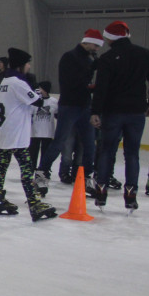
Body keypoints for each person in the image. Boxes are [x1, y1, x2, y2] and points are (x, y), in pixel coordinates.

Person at [90, 20, 149, 211]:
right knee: (132, 153)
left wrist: (95, 111)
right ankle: (131, 195)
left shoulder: (107, 58)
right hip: (136, 112)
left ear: (110, 38)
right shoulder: (144, 54)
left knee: (107, 150)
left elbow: (101, 88)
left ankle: (101, 191)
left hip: (112, 112)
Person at [0, 48, 57, 221]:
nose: (29, 66)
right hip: (16, 134)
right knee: (26, 168)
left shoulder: (5, 81)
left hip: (5, 132)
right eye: (27, 63)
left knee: (2, 167)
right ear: (20, 65)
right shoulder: (18, 83)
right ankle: (34, 203)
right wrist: (36, 89)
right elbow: (38, 101)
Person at [35, 29, 103, 196]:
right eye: (95, 45)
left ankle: (86, 177)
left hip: (85, 106)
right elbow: (71, 82)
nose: (97, 49)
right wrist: (91, 86)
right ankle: (41, 174)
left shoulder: (90, 58)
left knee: (89, 144)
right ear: (87, 42)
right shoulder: (70, 57)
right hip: (70, 106)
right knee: (59, 142)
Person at [29, 81, 56, 170]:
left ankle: (44, 169)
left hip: (47, 133)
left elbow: (57, 114)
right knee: (33, 152)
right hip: (35, 132)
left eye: (40, 88)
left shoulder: (53, 101)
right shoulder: (35, 101)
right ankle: (32, 168)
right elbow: (30, 113)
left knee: (46, 153)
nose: (38, 90)